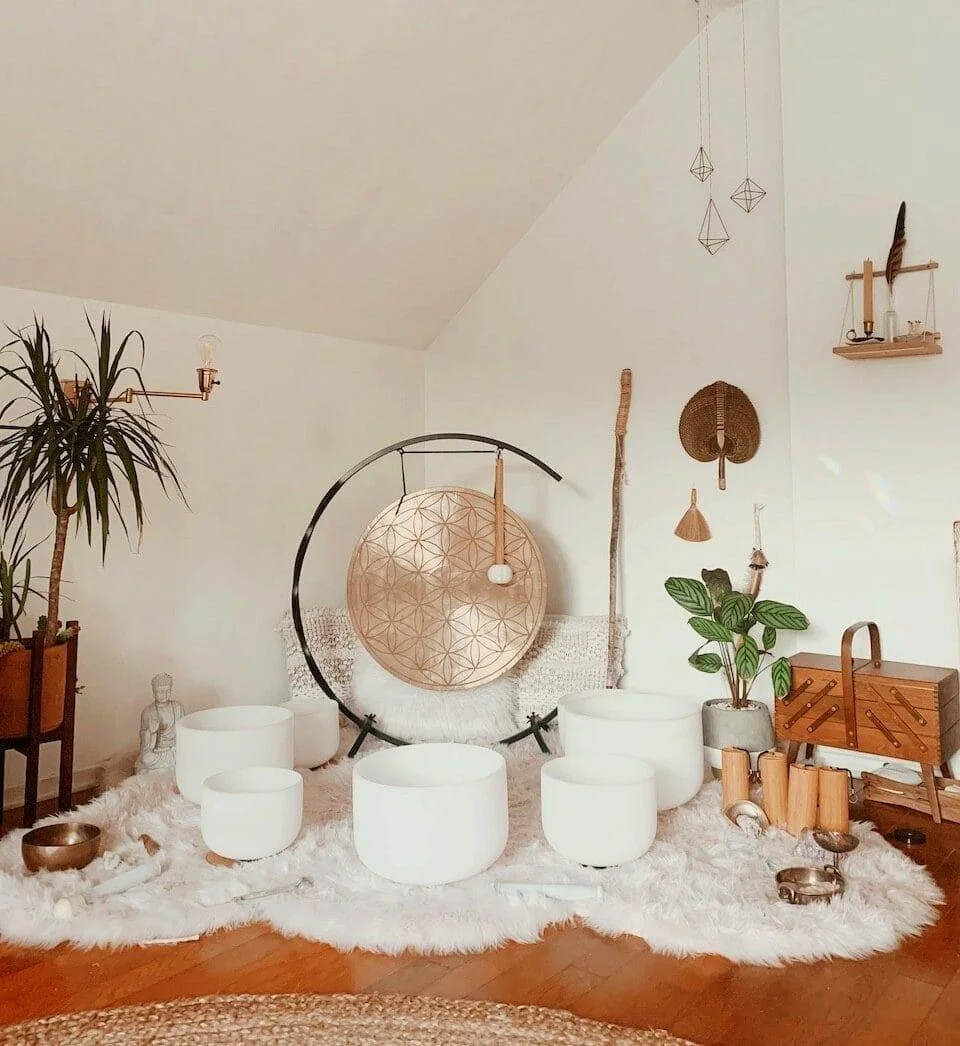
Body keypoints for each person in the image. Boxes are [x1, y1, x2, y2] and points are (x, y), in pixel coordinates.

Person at [135, 672, 184, 774]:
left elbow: (183, 732)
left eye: (168, 691)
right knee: (146, 759)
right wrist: (151, 732)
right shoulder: (147, 712)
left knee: (191, 753)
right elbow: (144, 743)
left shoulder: (177, 707)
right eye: (161, 692)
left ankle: (166, 768)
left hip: (175, 749)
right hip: (157, 752)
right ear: (154, 693)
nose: (165, 694)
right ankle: (169, 768)